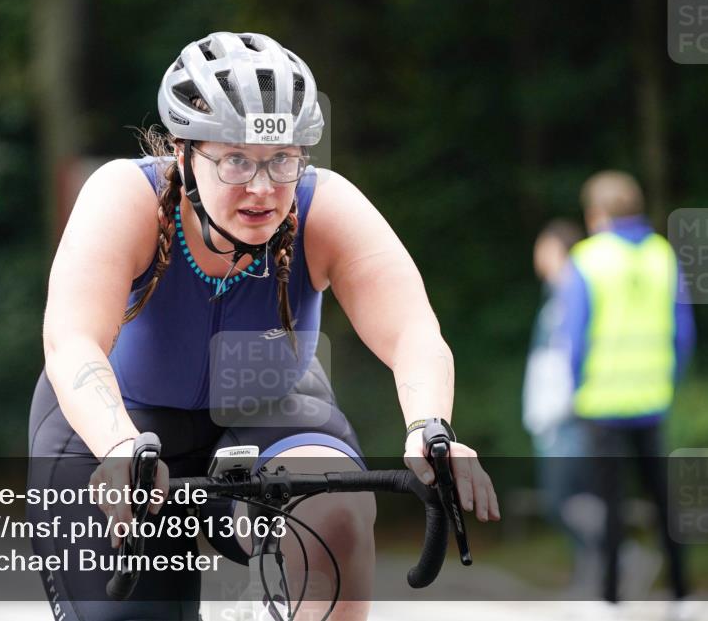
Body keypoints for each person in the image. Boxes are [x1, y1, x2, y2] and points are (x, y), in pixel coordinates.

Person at [28, 31, 500, 621]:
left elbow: (412, 331)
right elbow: (71, 339)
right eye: (234, 161)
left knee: (336, 518)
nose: (262, 187)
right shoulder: (126, 198)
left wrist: (429, 427)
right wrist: (118, 445)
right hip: (118, 419)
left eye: (282, 160)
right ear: (183, 155)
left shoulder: (324, 207)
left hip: (270, 407)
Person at [560, 170, 695, 607]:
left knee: (610, 505)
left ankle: (610, 600)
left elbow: (574, 338)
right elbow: (683, 332)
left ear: (596, 214)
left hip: (602, 401)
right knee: (663, 501)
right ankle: (681, 595)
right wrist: (667, 382)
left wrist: (577, 385)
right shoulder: (663, 255)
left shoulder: (586, 258)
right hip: (653, 398)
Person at [522, 219, 603, 594]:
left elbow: (570, 356)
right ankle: (597, 571)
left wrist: (565, 405)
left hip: (567, 416)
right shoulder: (554, 295)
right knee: (568, 499)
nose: (538, 256)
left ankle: (611, 559)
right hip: (552, 417)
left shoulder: (573, 291)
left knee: (565, 500)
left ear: (558, 250)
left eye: (543, 247)